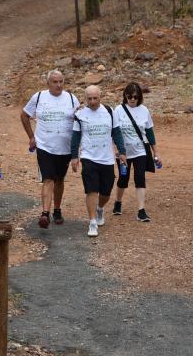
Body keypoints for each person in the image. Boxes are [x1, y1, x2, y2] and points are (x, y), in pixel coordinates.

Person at [20, 69, 80, 228]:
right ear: (48, 83)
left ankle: (57, 209)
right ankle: (45, 214)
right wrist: (31, 137)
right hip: (44, 146)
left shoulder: (72, 99)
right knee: (48, 178)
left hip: (65, 147)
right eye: (55, 82)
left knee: (59, 179)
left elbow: (80, 121)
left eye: (61, 81)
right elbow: (24, 115)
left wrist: (78, 146)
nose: (58, 85)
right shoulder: (39, 97)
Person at [71, 85, 127, 237]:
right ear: (85, 99)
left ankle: (100, 208)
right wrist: (74, 157)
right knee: (91, 190)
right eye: (89, 99)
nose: (92, 101)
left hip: (107, 158)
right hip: (89, 157)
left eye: (95, 98)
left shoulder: (109, 111)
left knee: (105, 193)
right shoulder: (81, 114)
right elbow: (75, 136)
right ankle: (92, 222)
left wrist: (122, 152)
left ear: (100, 97)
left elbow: (116, 132)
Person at [112, 82, 159, 222]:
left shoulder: (144, 110)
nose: (132, 99)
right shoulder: (118, 110)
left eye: (135, 97)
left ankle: (141, 210)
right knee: (123, 179)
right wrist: (116, 150)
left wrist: (156, 152)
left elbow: (149, 132)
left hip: (140, 151)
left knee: (140, 178)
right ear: (125, 96)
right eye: (129, 96)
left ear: (139, 97)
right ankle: (118, 202)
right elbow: (114, 132)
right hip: (123, 152)